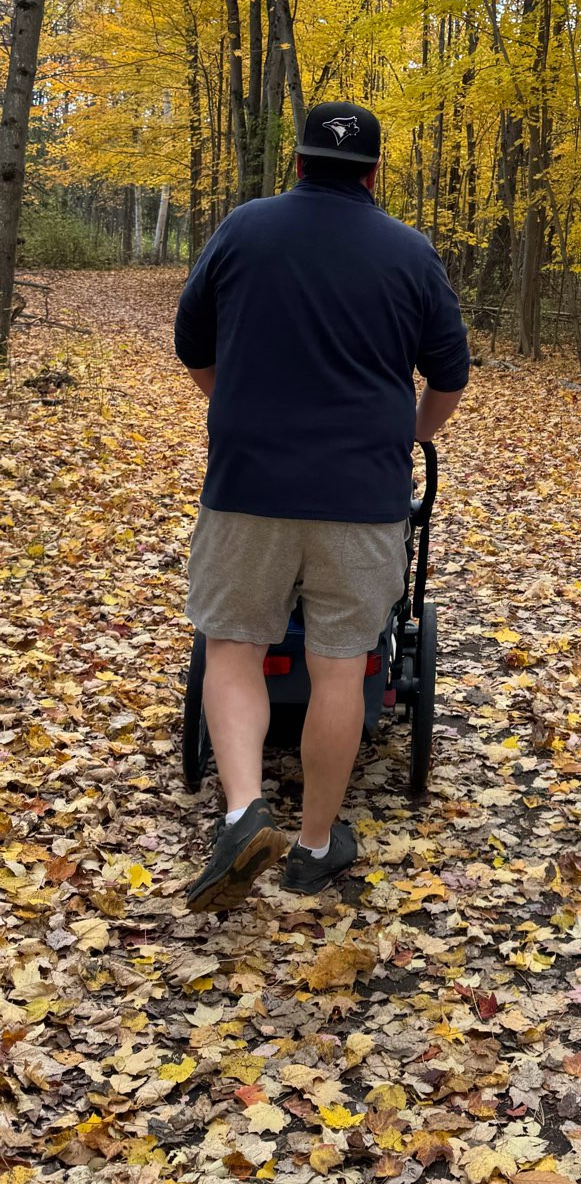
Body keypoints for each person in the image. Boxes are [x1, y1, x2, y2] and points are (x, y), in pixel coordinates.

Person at [174, 100, 470, 912]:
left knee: (230, 644)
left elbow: (192, 345)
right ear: (374, 173)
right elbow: (449, 375)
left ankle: (241, 810)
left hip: (247, 481)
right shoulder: (410, 253)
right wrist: (409, 435)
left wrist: (232, 404)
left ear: (297, 161)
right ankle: (312, 842)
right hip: (361, 494)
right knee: (343, 661)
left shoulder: (242, 230)